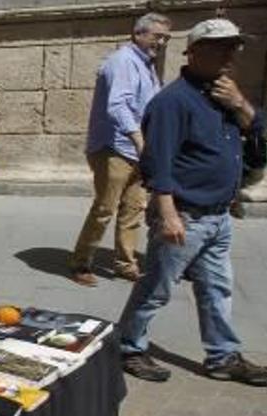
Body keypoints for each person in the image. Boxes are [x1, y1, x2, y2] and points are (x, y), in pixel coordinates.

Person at [117, 18, 267, 386]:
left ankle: (222, 356)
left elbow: (257, 129)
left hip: (218, 216)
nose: (231, 56)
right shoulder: (173, 102)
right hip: (186, 216)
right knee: (156, 287)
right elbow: (157, 162)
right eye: (222, 47)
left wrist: (241, 105)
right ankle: (128, 346)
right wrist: (169, 214)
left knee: (217, 289)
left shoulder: (224, 94)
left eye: (234, 48)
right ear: (196, 51)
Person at [70, 13, 172, 287]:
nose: (161, 42)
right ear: (138, 33)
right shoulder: (123, 61)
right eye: (157, 36)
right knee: (105, 207)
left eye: (165, 38)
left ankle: (125, 263)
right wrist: (141, 142)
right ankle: (81, 261)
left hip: (137, 149)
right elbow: (117, 106)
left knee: (133, 208)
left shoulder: (145, 65)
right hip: (114, 147)